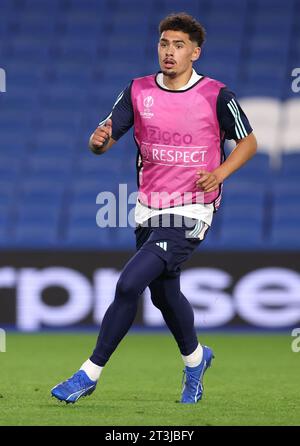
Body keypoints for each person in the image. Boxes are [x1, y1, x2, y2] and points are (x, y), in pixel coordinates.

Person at [51, 12, 257, 404]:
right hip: (149, 208)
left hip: (193, 210)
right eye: (164, 43)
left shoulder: (217, 95)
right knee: (164, 296)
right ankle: (197, 360)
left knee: (129, 284)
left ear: (195, 52)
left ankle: (88, 374)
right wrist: (98, 140)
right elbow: (105, 139)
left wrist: (220, 172)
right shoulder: (138, 90)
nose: (169, 51)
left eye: (179, 45)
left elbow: (247, 142)